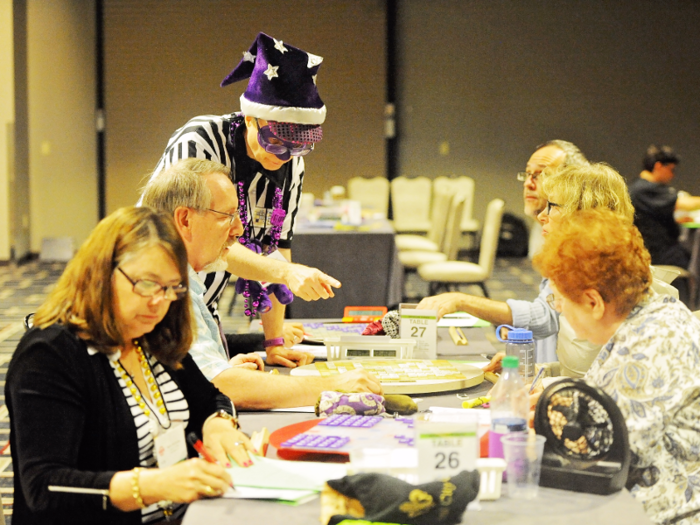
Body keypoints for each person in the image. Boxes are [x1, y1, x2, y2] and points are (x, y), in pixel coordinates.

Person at [7, 207, 254, 525]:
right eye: (147, 284)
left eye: (171, 287)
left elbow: (210, 398)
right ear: (102, 273)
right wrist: (151, 485)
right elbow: (45, 487)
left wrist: (218, 423)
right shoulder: (50, 354)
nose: (158, 302)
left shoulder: (152, 334)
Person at [146, 32, 336, 368]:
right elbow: (192, 236)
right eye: (277, 142)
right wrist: (286, 272)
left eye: (300, 147)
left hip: (205, 305)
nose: (287, 156)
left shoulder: (290, 163)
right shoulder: (200, 140)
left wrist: (274, 341)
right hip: (157, 294)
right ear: (251, 117)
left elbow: (278, 247)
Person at [141, 158, 383, 409]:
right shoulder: (163, 291)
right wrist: (335, 384)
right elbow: (223, 387)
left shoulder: (175, 278)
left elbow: (195, 379)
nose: (238, 229)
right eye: (227, 216)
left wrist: (219, 368)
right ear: (185, 220)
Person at [533, 208, 700, 525]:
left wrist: (547, 419)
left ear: (593, 303)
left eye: (559, 299)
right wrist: (555, 405)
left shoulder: (649, 348)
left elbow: (596, 459)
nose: (558, 309)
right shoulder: (649, 316)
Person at [418, 140, 588, 362]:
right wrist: (527, 363)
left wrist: (462, 301)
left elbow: (547, 318)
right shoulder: (552, 233)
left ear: (571, 184)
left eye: (540, 175)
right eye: (527, 174)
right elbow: (559, 322)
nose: (528, 183)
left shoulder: (581, 241)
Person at [630, 144, 700, 304]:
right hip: (660, 254)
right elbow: (685, 204)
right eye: (671, 169)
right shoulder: (644, 190)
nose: (673, 175)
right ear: (658, 166)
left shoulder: (644, 189)